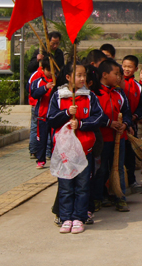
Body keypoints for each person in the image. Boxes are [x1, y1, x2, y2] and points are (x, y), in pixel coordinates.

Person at [46, 62, 107, 234]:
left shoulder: (89, 96)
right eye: (78, 75)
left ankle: (79, 217)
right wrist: (66, 114)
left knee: (82, 185)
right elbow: (50, 119)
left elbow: (99, 117)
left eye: (84, 75)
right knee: (65, 186)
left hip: (84, 149)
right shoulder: (58, 96)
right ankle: (65, 218)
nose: (82, 79)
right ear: (68, 77)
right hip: (65, 151)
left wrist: (80, 123)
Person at [93, 59, 133, 213]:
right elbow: (95, 115)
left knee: (118, 168)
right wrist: (109, 123)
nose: (118, 77)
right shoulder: (95, 93)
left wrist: (126, 124)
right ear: (104, 75)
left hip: (119, 138)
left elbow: (127, 112)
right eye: (115, 74)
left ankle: (120, 198)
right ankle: (98, 198)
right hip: (102, 139)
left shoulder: (119, 93)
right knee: (101, 169)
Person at [120, 55, 142, 189]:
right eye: (124, 66)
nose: (126, 69)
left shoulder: (138, 86)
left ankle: (131, 181)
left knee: (130, 155)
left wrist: (134, 117)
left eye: (129, 67)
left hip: (132, 126)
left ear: (136, 68)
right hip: (118, 126)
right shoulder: (117, 84)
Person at [29, 56, 55, 169]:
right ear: (43, 69)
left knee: (54, 140)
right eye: (48, 70)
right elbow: (33, 93)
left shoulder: (57, 80)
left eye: (52, 70)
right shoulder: (38, 81)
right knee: (42, 139)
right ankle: (40, 160)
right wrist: (45, 88)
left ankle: (55, 159)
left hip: (54, 116)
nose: (50, 73)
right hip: (42, 115)